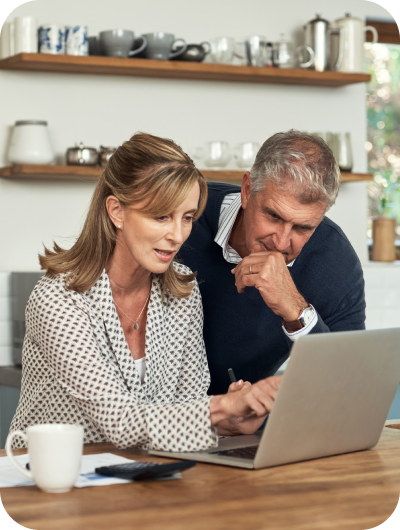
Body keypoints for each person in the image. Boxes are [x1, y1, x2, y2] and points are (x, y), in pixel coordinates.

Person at [9, 132, 282, 451]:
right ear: (117, 211)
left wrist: (228, 423)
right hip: (50, 479)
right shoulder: (58, 299)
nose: (178, 235)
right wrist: (223, 407)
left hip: (142, 476)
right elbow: (121, 421)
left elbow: (186, 406)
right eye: (161, 216)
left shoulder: (182, 293)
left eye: (187, 217)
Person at [178, 130, 366, 396]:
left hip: (247, 425)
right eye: (273, 216)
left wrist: (296, 311)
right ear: (247, 190)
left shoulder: (336, 262)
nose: (281, 242)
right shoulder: (184, 216)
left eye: (302, 228)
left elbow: (349, 385)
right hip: (157, 418)